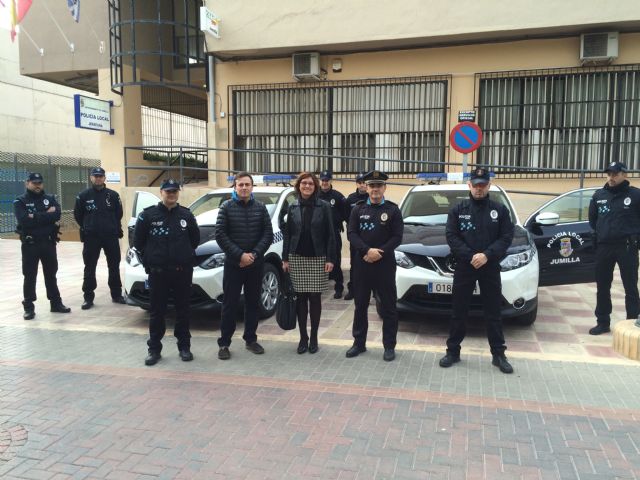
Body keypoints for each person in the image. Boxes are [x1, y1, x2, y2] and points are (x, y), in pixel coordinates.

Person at [439, 167, 515, 374]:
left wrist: (487, 255)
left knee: (493, 312)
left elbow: (507, 237)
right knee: (459, 311)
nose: (479, 188)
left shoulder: (499, 210)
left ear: (489, 186)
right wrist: (470, 256)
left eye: (483, 185)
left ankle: (498, 355)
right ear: (469, 185)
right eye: (476, 185)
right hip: (466, 266)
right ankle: (453, 351)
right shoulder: (458, 209)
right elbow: (451, 236)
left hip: (489, 266)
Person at [133, 179, 200, 366]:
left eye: (174, 191)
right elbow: (138, 242)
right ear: (161, 192)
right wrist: (153, 258)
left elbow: (195, 240)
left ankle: (184, 347)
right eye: (168, 191)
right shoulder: (147, 216)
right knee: (157, 312)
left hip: (182, 272)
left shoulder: (186, 215)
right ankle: (154, 349)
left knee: (183, 311)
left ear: (178, 193)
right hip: (158, 273)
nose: (171, 194)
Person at [215, 172, 273, 360]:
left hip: (255, 264)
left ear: (252, 187)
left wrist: (254, 254)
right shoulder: (226, 207)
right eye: (241, 185)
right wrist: (239, 255)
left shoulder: (261, 207)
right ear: (235, 187)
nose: (244, 188)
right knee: (229, 305)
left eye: (247, 185)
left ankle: (251, 339)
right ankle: (224, 343)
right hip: (234, 264)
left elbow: (267, 234)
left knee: (252, 303)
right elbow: (220, 235)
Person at [346, 170, 403, 361]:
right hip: (362, 265)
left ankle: (389, 346)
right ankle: (359, 343)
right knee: (360, 305)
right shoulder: (357, 209)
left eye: (379, 185)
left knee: (388, 307)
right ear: (366, 187)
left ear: (384, 188)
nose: (375, 189)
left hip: (384, 266)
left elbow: (397, 237)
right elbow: (352, 234)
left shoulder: (393, 210)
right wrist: (366, 251)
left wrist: (379, 253)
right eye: (372, 186)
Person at [282, 172, 336, 354]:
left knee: (315, 298)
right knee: (301, 299)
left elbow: (331, 234)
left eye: (310, 184)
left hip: (318, 258)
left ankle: (314, 337)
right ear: (298, 186)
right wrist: (285, 258)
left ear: (315, 187)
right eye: (304, 183)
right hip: (297, 257)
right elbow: (288, 234)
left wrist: (330, 259)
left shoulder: (324, 206)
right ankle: (303, 337)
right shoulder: (292, 206)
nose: (307, 186)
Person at [588, 161, 640, 335]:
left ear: (625, 174)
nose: (611, 177)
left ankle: (631, 324)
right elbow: (593, 220)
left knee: (630, 287)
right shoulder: (598, 195)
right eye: (609, 174)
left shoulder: (635, 195)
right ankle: (602, 322)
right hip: (604, 247)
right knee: (602, 286)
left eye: (615, 174)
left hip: (627, 247)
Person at [13, 172, 71, 320]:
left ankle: (56, 303)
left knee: (51, 274)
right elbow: (24, 220)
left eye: (39, 183)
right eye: (34, 183)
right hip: (30, 244)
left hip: (48, 243)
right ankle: (29, 307)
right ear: (27, 183)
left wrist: (36, 215)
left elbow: (56, 214)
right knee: (30, 276)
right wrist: (46, 214)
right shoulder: (20, 201)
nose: (37, 185)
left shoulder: (49, 199)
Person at [74, 167, 125, 309]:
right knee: (90, 267)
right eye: (95, 176)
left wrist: (111, 226)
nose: (98, 178)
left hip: (110, 236)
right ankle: (88, 297)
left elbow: (118, 214)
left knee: (114, 266)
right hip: (92, 237)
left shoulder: (113, 195)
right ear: (91, 178)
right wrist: (89, 226)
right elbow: (78, 215)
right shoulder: (83, 195)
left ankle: (116, 294)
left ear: (104, 178)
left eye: (100, 176)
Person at [317, 170, 347, 298]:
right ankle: (317, 287)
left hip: (333, 233)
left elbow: (345, 214)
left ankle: (338, 287)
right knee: (318, 260)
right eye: (322, 180)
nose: (324, 182)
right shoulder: (315, 195)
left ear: (331, 181)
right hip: (318, 233)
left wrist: (336, 220)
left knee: (335, 259)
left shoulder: (338, 196)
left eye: (327, 180)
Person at [343, 172, 368, 300]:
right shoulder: (350, 199)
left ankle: (373, 290)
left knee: (372, 264)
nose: (363, 185)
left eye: (364, 182)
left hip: (370, 237)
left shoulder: (372, 196)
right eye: (360, 182)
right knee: (355, 264)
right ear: (357, 184)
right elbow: (347, 217)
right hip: (355, 237)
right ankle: (352, 290)